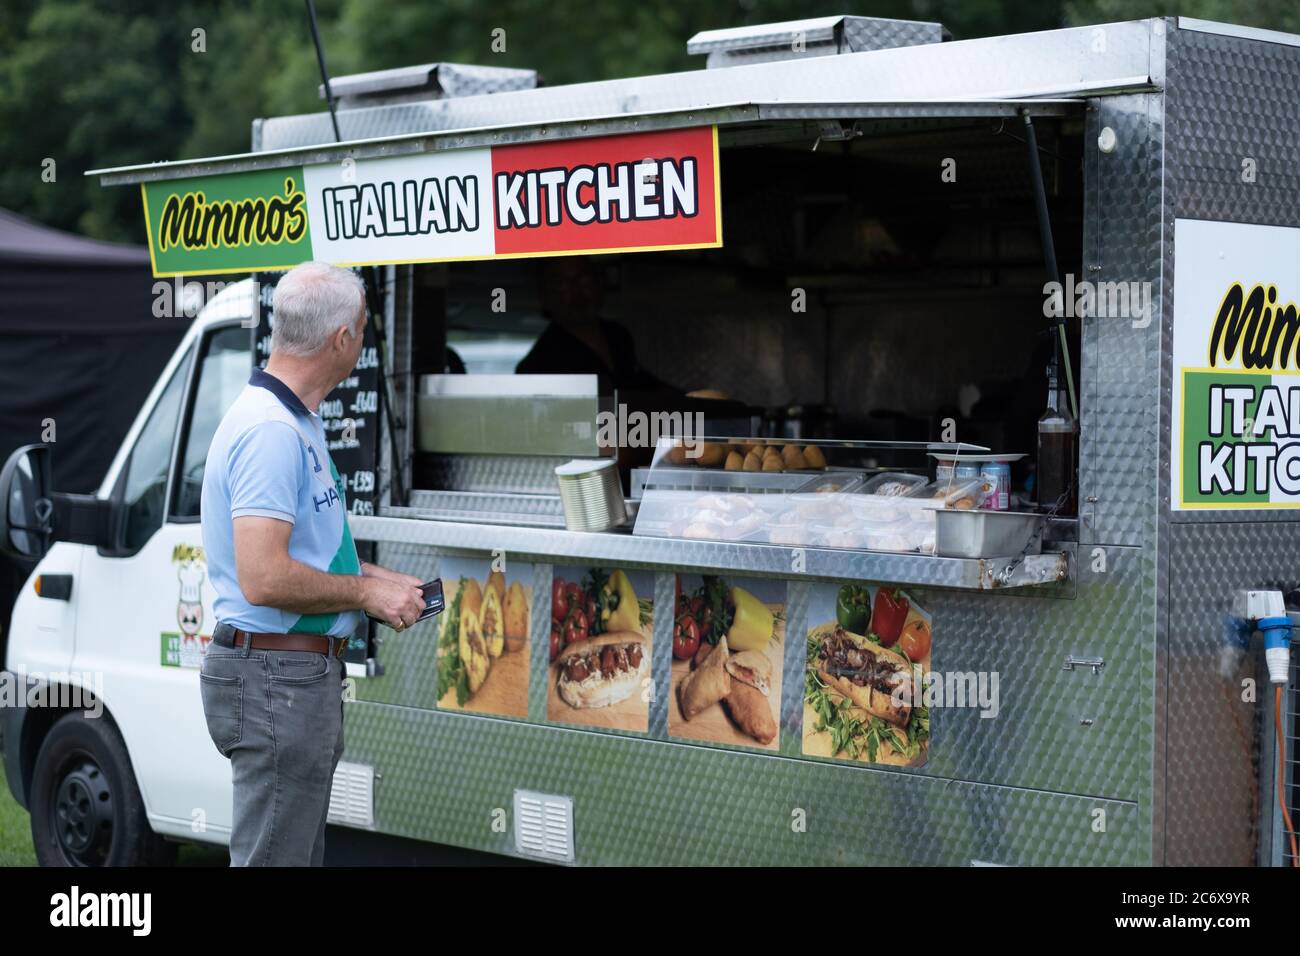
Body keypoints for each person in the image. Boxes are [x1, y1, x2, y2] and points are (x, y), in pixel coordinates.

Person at [198, 261, 425, 866]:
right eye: (363, 326)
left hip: (286, 678)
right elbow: (264, 576)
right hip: (276, 679)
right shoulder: (272, 431)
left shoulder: (295, 419)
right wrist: (366, 597)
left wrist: (379, 581)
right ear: (343, 341)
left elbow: (308, 555)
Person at [515, 256, 666, 391]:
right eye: (562, 284)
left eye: (584, 278)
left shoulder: (618, 335)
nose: (577, 291)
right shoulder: (537, 366)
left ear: (598, 282)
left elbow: (641, 384)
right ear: (545, 295)